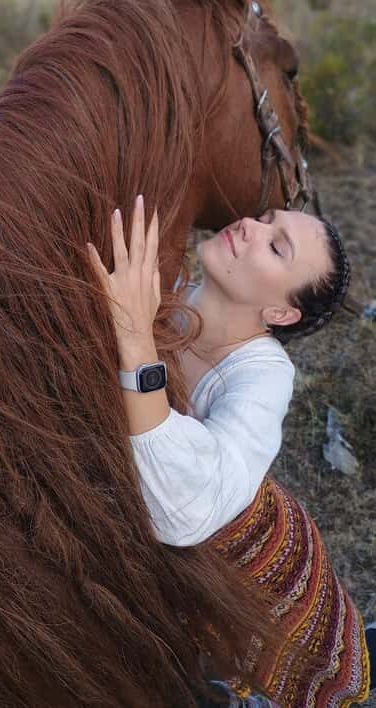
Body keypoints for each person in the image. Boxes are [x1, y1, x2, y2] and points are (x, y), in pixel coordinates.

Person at [86, 194, 348, 548]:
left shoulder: (265, 378)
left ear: (281, 313)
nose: (249, 225)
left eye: (275, 247)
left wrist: (135, 336)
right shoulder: (163, 292)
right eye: (265, 218)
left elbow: (184, 512)